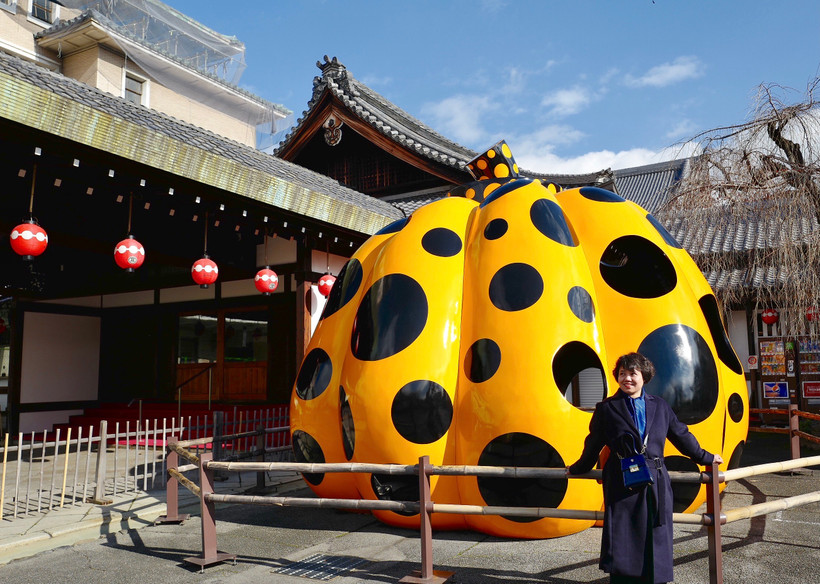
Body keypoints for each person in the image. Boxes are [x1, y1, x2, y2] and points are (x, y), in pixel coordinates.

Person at [567, 352, 723, 584]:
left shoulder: (660, 406)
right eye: (622, 373)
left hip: (656, 478)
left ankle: (656, 580)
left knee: (656, 531)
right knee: (624, 533)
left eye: (633, 373)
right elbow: (593, 444)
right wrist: (578, 468)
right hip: (621, 479)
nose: (627, 378)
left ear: (644, 376)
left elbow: (681, 435)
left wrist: (706, 457)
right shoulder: (607, 408)